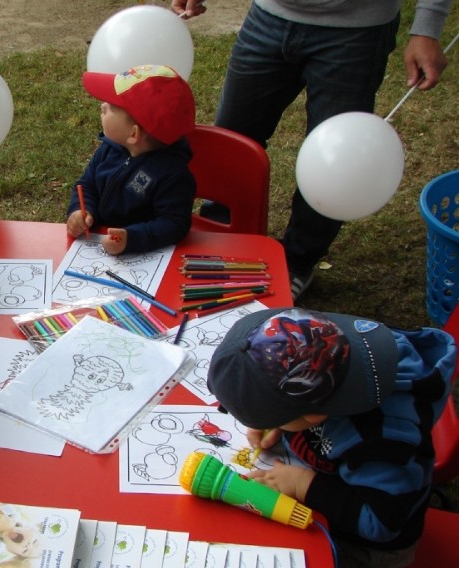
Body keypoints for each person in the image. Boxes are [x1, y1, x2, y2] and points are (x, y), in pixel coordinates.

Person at [171, 0, 453, 300]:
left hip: (355, 30)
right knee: (231, 139)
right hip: (269, 15)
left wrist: (427, 28)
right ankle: (218, 239)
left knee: (335, 162)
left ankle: (297, 261)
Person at [207, 307, 456, 567]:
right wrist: (279, 421)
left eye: (276, 419)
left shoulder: (381, 440)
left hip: (369, 547)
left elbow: (383, 522)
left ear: (312, 416)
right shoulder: (331, 353)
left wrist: (304, 485)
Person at [66, 64, 197, 256]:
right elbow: (87, 184)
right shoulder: (109, 149)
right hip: (95, 245)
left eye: (110, 107)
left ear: (133, 134)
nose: (102, 105)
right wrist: (81, 210)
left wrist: (131, 239)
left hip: (145, 260)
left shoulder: (172, 174)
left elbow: (174, 224)